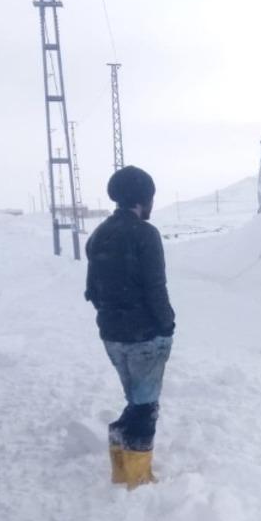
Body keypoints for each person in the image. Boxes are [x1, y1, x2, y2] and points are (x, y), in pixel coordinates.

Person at [84, 166, 176, 488]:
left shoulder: (98, 235)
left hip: (111, 335)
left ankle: (120, 463)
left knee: (136, 401)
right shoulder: (144, 234)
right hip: (145, 337)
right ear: (143, 198)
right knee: (146, 407)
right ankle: (137, 480)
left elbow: (92, 291)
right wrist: (167, 325)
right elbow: (155, 288)